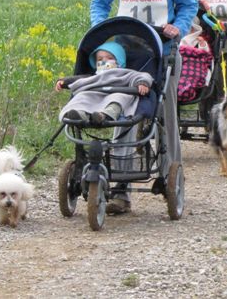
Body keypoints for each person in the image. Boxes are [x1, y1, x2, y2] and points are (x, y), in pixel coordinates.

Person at [90, 0, 198, 213]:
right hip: (127, 48)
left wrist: (178, 26)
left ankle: (169, 176)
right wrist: (101, 27)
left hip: (162, 49)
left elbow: (187, 3)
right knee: (124, 111)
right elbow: (100, 1)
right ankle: (120, 188)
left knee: (165, 114)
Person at [56, 41, 155, 215]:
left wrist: (142, 84)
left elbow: (144, 77)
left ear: (119, 62)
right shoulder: (94, 76)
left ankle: (105, 115)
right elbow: (79, 80)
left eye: (109, 58)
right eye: (100, 59)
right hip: (95, 97)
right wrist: (64, 82)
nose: (104, 62)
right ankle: (79, 113)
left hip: (116, 96)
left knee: (119, 97)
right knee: (83, 96)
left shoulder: (126, 73)